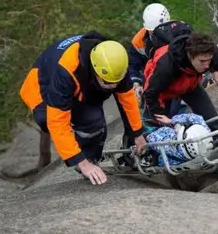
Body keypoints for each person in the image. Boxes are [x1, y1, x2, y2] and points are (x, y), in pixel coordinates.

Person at [19, 31, 147, 185]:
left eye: (116, 83)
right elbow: (57, 123)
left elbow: (127, 100)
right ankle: (84, 162)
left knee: (95, 122)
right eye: (107, 82)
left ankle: (92, 157)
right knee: (59, 121)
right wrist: (82, 163)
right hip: (43, 85)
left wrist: (137, 134)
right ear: (95, 70)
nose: (112, 86)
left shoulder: (116, 62)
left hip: (84, 81)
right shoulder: (66, 72)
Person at [143, 31, 218, 132]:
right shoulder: (165, 66)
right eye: (202, 61)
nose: (207, 66)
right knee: (162, 128)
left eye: (209, 60)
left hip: (190, 86)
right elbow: (150, 92)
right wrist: (160, 116)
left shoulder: (211, 53)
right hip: (163, 92)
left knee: (212, 121)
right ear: (190, 55)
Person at [145, 113, 218, 176]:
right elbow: (196, 118)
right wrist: (172, 121)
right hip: (167, 137)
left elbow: (152, 140)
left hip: (158, 139)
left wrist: (174, 123)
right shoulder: (203, 131)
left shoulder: (173, 150)